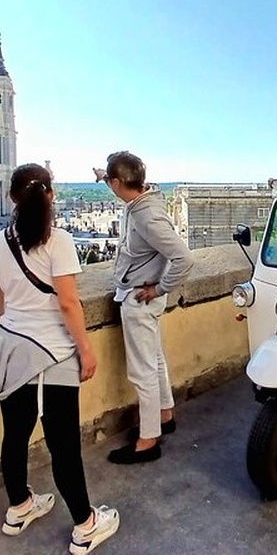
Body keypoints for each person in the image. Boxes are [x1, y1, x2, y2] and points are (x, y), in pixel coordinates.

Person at [0, 164, 119, 554]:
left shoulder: (0, 241)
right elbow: (68, 303)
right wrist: (86, 349)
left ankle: (19, 507)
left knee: (15, 435)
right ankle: (86, 525)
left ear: (12, 198)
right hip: (52, 354)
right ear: (51, 195)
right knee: (63, 444)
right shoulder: (60, 240)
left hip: (12, 349)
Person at [95, 151, 194, 464]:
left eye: (110, 180)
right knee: (155, 360)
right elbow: (119, 179)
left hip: (141, 297)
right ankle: (165, 415)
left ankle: (148, 440)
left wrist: (160, 288)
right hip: (144, 295)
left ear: (118, 183)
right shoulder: (145, 196)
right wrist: (104, 175)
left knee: (143, 372)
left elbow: (184, 259)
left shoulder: (146, 216)